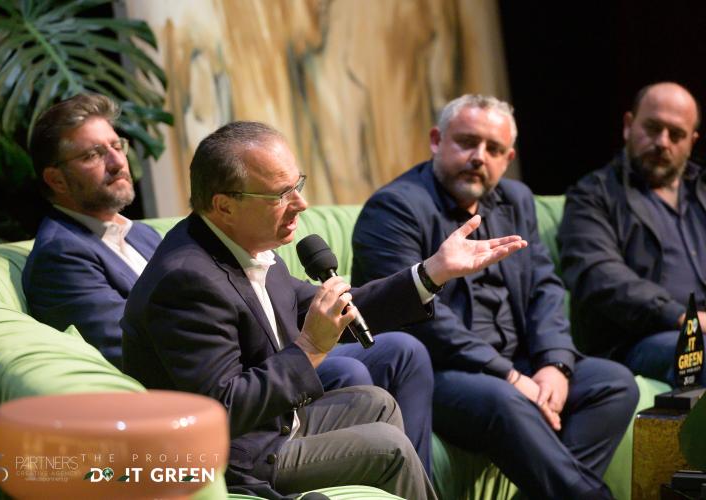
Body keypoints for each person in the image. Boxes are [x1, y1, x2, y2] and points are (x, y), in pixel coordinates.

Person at [121, 120, 527, 499]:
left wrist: (432, 272)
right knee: (389, 449)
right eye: (281, 195)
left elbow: (337, 309)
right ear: (224, 206)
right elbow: (219, 411)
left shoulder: (246, 244)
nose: (301, 203)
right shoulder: (186, 280)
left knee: (377, 402)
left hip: (269, 427)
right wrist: (311, 347)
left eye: (297, 184)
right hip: (233, 457)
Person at [352, 94, 639, 500]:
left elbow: (543, 286)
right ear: (436, 140)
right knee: (506, 401)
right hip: (440, 370)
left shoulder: (516, 200)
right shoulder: (395, 208)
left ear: (508, 158)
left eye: (494, 149)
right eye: (467, 142)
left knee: (613, 383)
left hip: (517, 361)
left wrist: (554, 364)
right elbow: (417, 314)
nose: (478, 157)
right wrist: (509, 375)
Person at [558, 82, 706, 386]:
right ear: (628, 125)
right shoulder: (593, 195)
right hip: (636, 340)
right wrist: (681, 316)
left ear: (692, 141)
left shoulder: (701, 193)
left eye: (676, 134)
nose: (662, 142)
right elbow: (598, 274)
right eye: (652, 128)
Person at [22, 94, 161, 369]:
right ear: (56, 180)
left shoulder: (143, 234)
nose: (118, 162)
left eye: (117, 146)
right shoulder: (60, 256)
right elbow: (130, 349)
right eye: (93, 155)